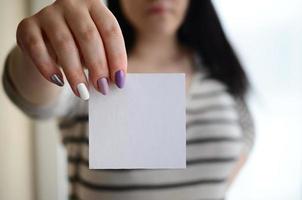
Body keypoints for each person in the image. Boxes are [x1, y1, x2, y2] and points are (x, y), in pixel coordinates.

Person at [2, 0, 254, 199]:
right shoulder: (86, 69)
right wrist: (41, 47)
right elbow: (32, 98)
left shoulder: (219, 69)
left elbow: (246, 130)